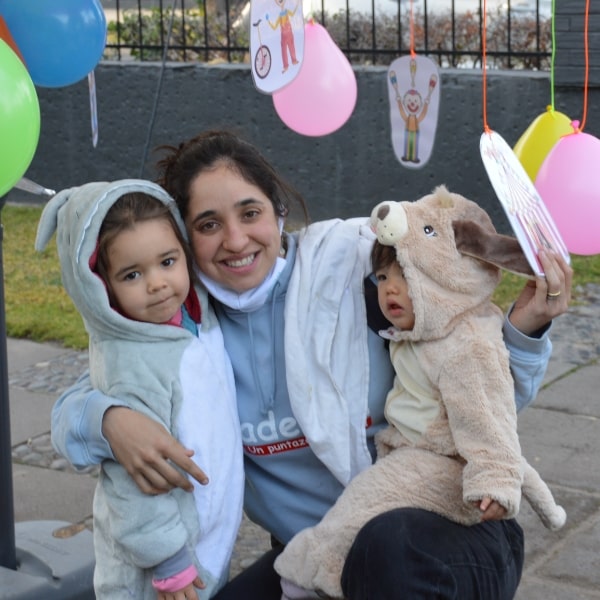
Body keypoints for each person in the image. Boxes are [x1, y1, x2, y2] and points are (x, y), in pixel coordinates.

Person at [50, 130, 573, 600]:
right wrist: (109, 419)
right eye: (209, 225)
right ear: (186, 241)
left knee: (386, 549)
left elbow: (479, 390)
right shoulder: (189, 329)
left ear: (278, 212)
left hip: (442, 532)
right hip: (315, 560)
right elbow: (93, 393)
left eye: (249, 213)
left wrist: (524, 331)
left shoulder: (353, 277)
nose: (235, 240)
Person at [273, 188, 566, 599]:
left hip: (443, 461)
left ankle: (308, 577)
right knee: (369, 504)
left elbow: (488, 414)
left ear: (445, 274)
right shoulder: (419, 330)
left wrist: (495, 477)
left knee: (361, 505)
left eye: (407, 273)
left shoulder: (466, 342)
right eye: (383, 277)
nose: (390, 289)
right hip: (416, 456)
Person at [35, 180, 243, 599]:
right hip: (158, 577)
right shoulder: (132, 365)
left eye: (167, 261)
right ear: (101, 286)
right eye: (132, 274)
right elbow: (130, 487)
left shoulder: (192, 320)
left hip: (198, 545)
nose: (157, 284)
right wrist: (169, 563)